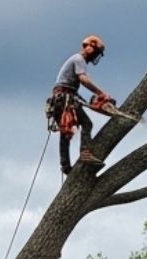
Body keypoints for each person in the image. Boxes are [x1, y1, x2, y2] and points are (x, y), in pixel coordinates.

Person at [47, 34, 114, 175]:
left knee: (66, 133)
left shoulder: (75, 59)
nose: (94, 56)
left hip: (62, 97)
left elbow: (71, 87)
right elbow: (83, 79)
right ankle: (85, 153)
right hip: (65, 98)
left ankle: (65, 166)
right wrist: (101, 93)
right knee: (87, 124)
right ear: (90, 48)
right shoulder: (79, 59)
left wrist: (87, 101)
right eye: (96, 52)